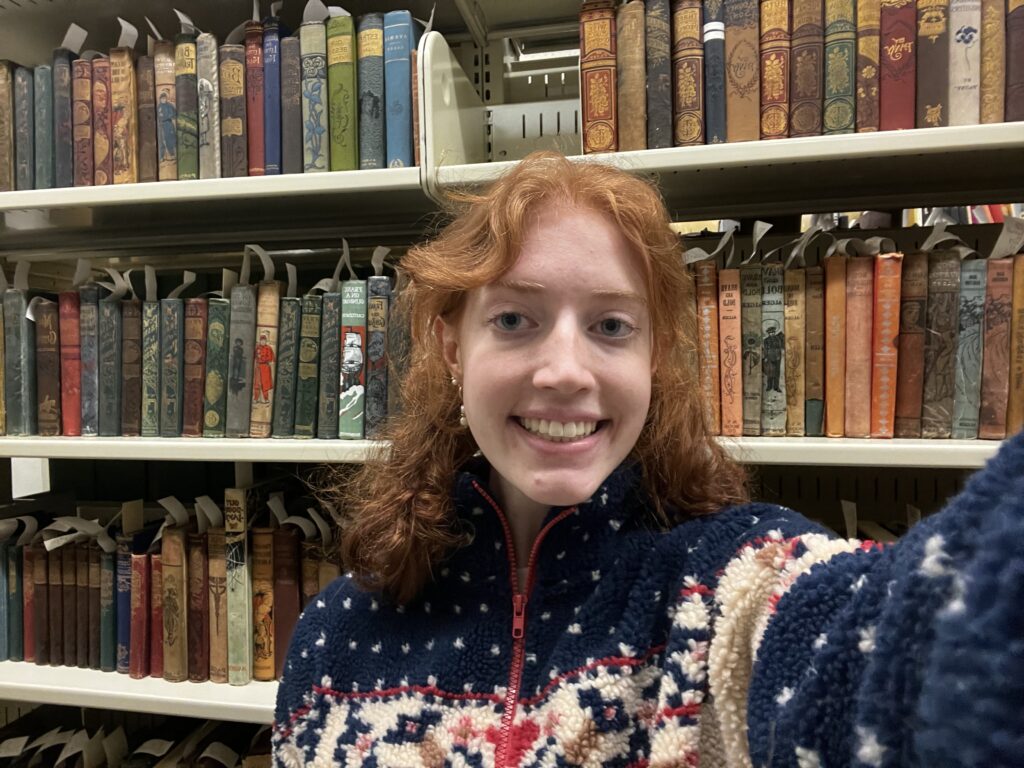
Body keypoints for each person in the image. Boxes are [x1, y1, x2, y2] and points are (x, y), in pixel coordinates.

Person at [273, 152, 1024, 767]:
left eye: (610, 324)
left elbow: (906, 633)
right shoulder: (335, 631)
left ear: (655, 354)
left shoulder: (728, 587)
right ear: (451, 346)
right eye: (512, 319)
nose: (565, 370)